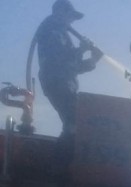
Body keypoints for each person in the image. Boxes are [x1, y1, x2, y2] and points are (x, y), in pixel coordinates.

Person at [34, 0, 102, 169]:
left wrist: (92, 61)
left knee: (75, 122)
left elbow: (72, 67)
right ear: (60, 13)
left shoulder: (60, 34)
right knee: (74, 123)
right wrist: (82, 49)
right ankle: (57, 167)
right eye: (70, 17)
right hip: (57, 83)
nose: (71, 21)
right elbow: (60, 60)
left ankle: (61, 166)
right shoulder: (51, 31)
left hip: (63, 83)